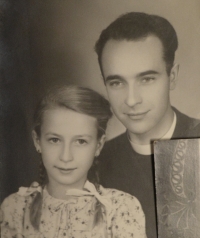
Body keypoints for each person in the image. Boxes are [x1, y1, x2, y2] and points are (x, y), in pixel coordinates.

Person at [94, 12, 200, 238]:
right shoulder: (95, 165)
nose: (132, 100)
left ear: (172, 76)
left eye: (147, 79)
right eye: (117, 82)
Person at [0, 85, 146, 238]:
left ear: (98, 145)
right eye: (55, 140)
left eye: (81, 141)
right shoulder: (15, 209)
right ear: (38, 141)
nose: (66, 156)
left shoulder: (120, 209)